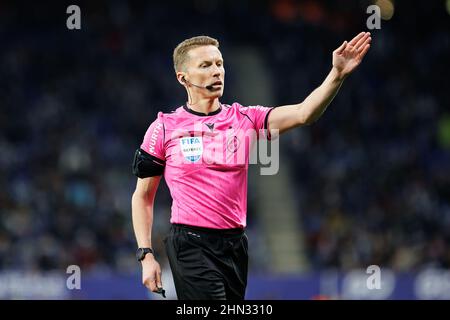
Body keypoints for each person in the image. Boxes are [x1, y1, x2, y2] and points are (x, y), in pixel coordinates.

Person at [131, 33, 371, 300]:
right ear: (183, 77)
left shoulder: (245, 118)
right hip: (190, 243)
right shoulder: (164, 127)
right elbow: (143, 197)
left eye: (219, 64)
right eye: (206, 65)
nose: (217, 71)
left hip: (235, 246)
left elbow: (305, 113)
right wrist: (146, 255)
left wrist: (336, 75)